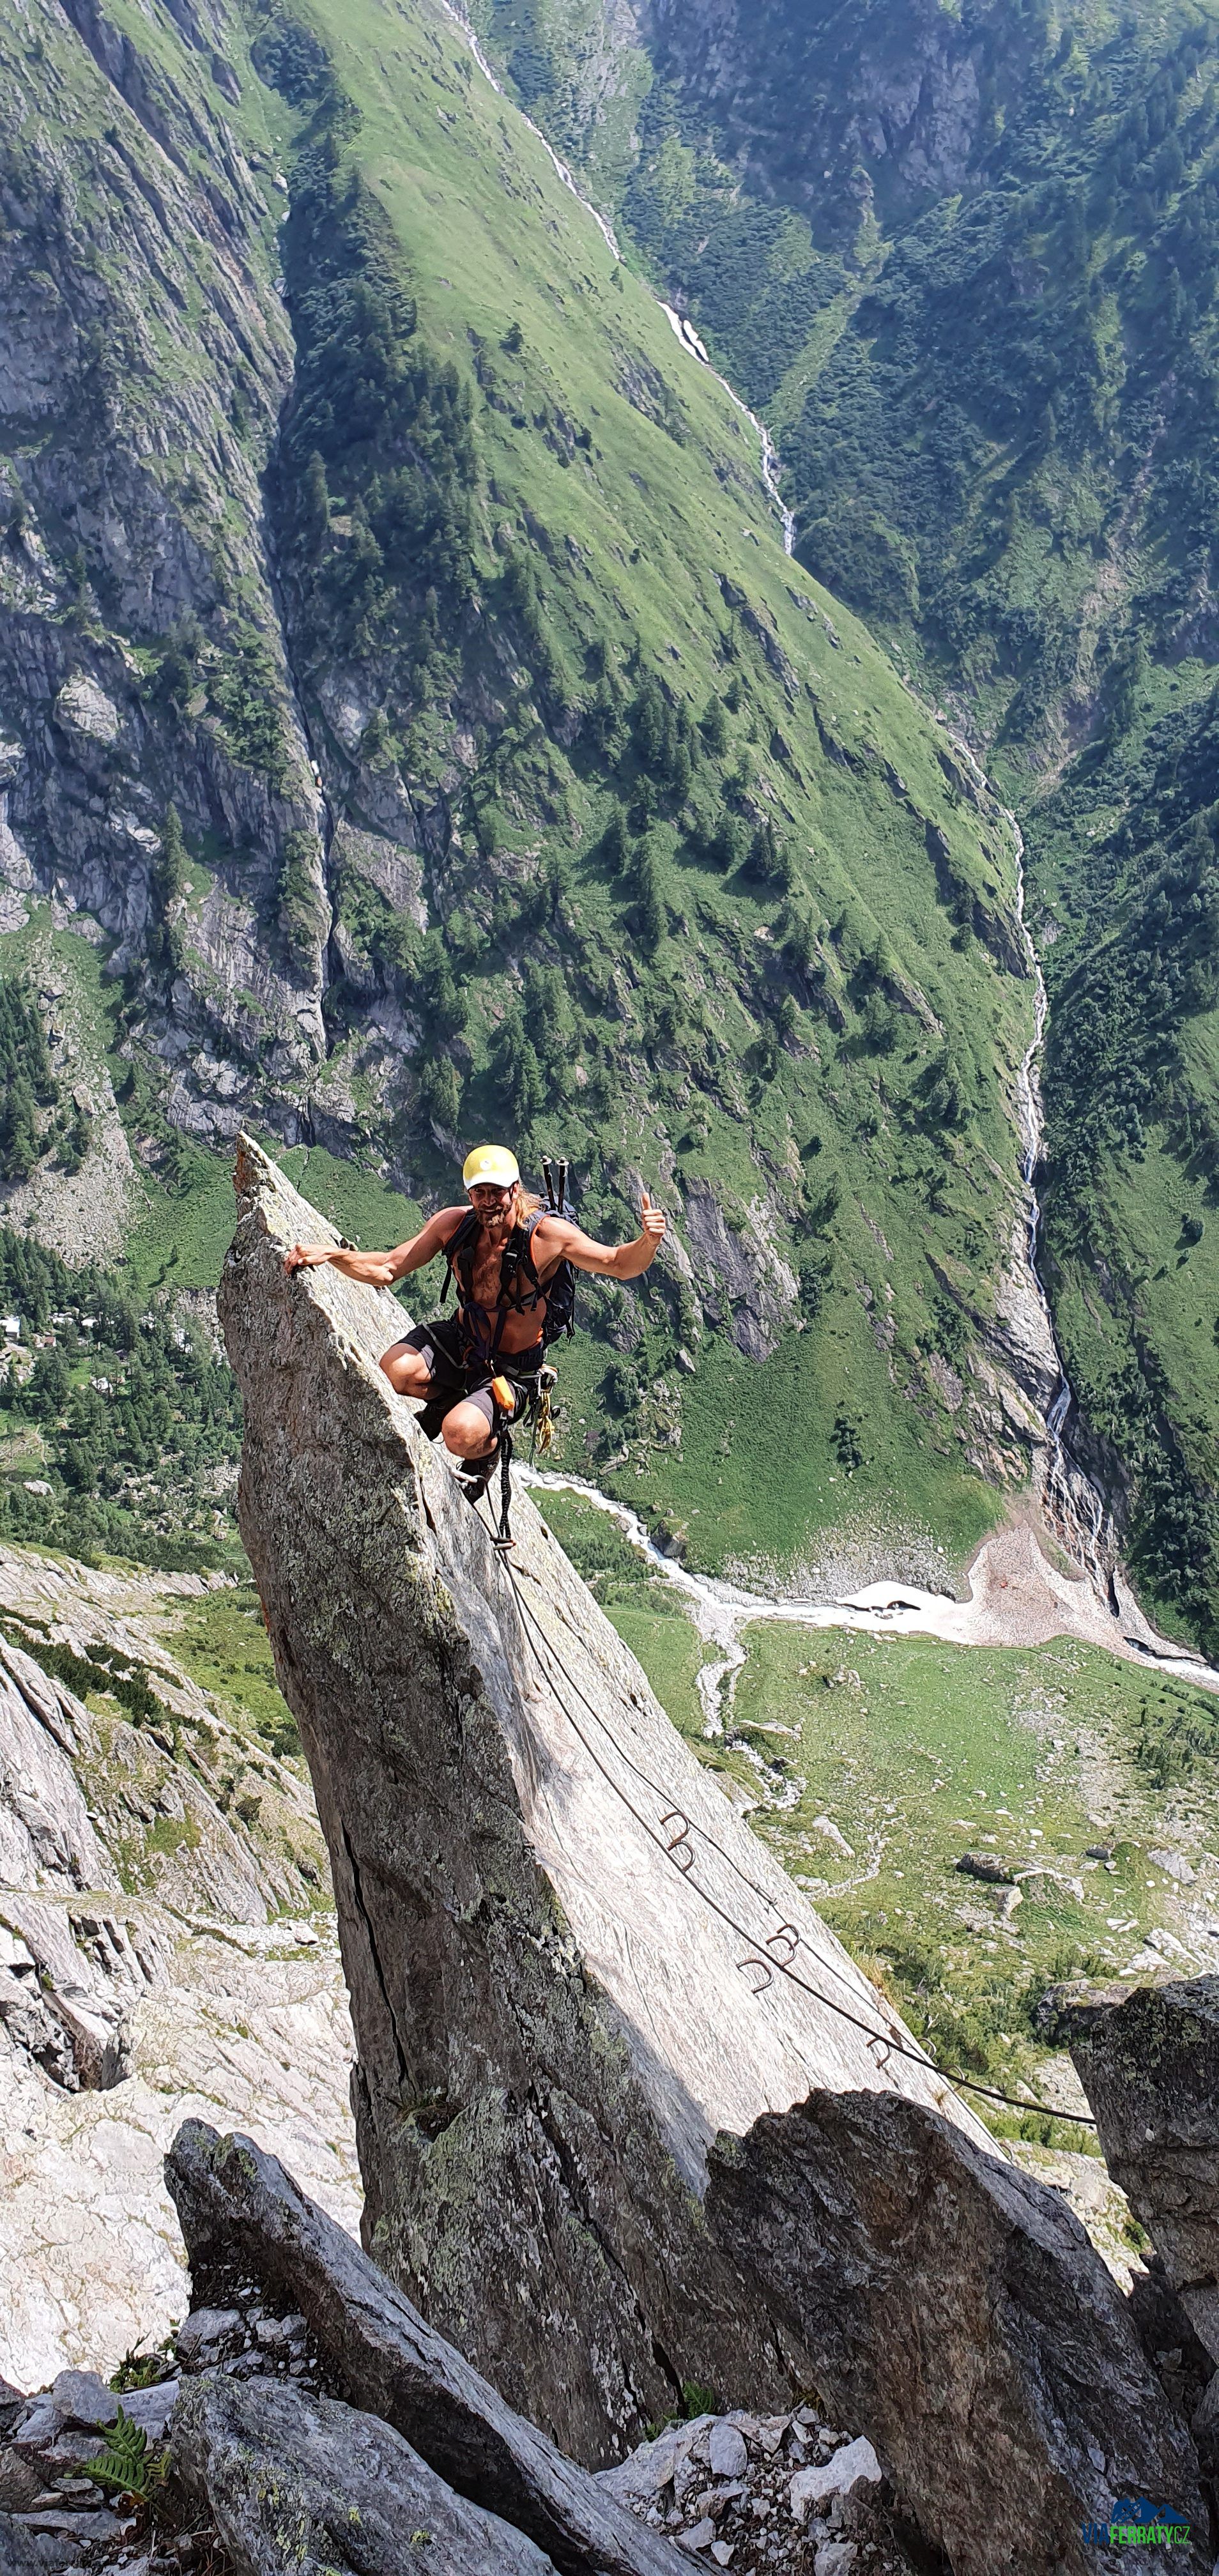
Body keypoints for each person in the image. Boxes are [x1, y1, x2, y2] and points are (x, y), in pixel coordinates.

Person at [284, 1145, 666, 1490]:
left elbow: (618, 1263)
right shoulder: (455, 1225)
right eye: (479, 1193)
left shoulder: (547, 1237)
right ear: (469, 1194)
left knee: (459, 1434)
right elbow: (388, 1267)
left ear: (515, 1190)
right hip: (463, 1341)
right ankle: (448, 1399)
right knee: (395, 1371)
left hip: (512, 1369)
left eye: (496, 1192)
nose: (488, 1202)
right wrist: (333, 1256)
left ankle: (487, 1449)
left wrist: (647, 1241)